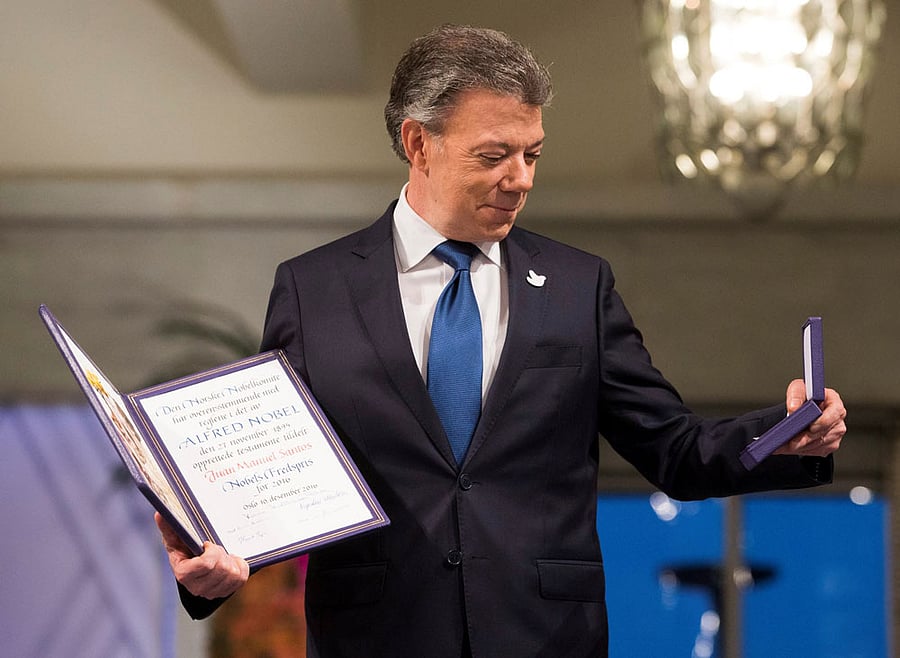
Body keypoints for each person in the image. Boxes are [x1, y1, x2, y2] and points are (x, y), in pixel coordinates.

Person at [156, 24, 846, 657]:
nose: (521, 179)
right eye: (495, 155)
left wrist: (783, 436)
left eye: (532, 153)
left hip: (545, 637)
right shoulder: (314, 290)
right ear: (418, 142)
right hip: (375, 638)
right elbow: (266, 469)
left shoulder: (581, 287)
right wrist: (209, 564)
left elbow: (676, 452)